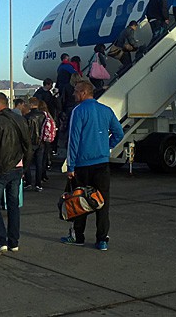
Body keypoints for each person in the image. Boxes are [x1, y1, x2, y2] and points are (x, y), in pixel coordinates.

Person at [61, 81, 123, 251]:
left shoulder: (78, 111)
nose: (73, 94)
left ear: (83, 92)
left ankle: (78, 236)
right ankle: (102, 239)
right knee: (102, 202)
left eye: (75, 91)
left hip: (83, 164)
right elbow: (119, 133)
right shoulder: (106, 110)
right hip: (102, 164)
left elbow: (73, 140)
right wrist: (106, 146)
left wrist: (70, 166)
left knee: (79, 201)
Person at [0, 92, 32, 257]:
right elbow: (28, 146)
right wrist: (24, 168)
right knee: (13, 205)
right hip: (17, 168)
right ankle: (14, 242)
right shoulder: (20, 120)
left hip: (0, 170)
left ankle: (0, 241)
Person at [23, 97, 45, 192]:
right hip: (41, 142)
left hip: (30, 142)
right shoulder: (43, 115)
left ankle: (28, 182)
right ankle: (38, 184)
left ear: (31, 104)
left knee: (27, 163)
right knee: (39, 164)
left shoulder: (27, 117)